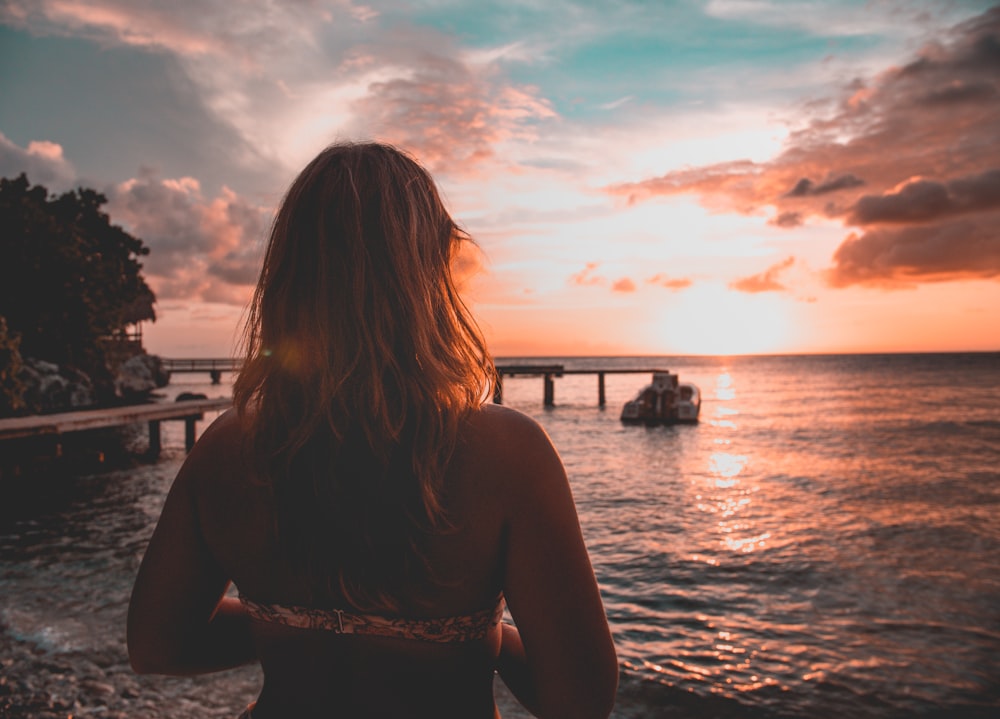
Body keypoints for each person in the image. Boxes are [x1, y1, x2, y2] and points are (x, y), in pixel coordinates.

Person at [127, 142, 618, 718]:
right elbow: (581, 701)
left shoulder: (231, 446)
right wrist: (482, 638)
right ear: (430, 274)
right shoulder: (509, 453)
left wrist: (290, 627)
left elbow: (158, 644)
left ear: (289, 275)